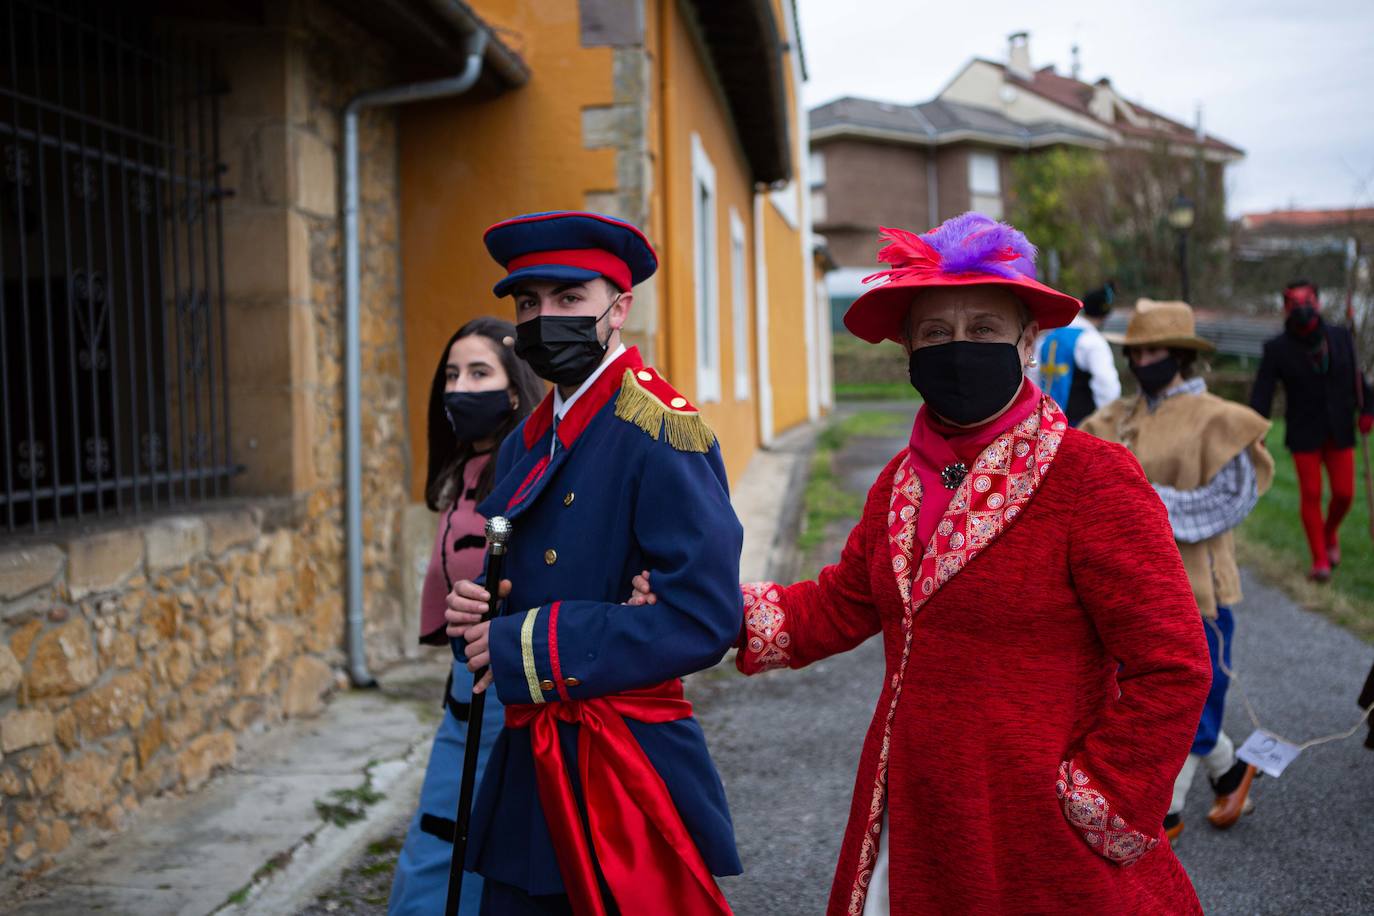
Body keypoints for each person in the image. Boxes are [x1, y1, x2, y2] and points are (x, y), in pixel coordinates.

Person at [636, 213, 1212, 914]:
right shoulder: (899, 483)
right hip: (912, 807)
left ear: (1028, 342)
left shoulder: (1092, 478)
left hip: (1037, 828)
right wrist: (703, 607)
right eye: (936, 333)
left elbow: (1173, 664)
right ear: (908, 347)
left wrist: (1099, 796)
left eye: (984, 329)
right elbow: (839, 603)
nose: (958, 348)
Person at [444, 211, 744, 915]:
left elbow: (705, 615)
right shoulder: (526, 440)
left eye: (569, 299)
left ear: (619, 307)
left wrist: (526, 642)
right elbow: (521, 587)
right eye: (528, 303)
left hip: (620, 762)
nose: (545, 319)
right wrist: (480, 613)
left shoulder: (661, 429)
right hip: (532, 755)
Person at [1081, 299, 1274, 844]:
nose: (1143, 359)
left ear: (1182, 354)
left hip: (1198, 588)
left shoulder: (1221, 419)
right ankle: (1233, 773)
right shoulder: (1117, 416)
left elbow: (1232, 499)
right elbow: (1074, 466)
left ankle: (1163, 811)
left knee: (1190, 698)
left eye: (1155, 350)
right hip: (1123, 586)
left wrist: (1138, 505)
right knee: (1134, 693)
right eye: (1136, 351)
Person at [389, 317, 544, 916]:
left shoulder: (523, 473)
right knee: (440, 844)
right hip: (463, 699)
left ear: (513, 391)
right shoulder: (465, 474)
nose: (459, 387)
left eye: (479, 373)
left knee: (471, 849)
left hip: (505, 697)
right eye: (452, 374)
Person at [1249, 279, 1374, 581]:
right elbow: (1263, 392)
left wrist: (1368, 409)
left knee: (1344, 494)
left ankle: (1330, 532)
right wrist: (1256, 430)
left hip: (1340, 427)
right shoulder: (1277, 348)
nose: (1302, 309)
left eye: (1308, 302)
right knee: (1311, 493)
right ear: (1285, 308)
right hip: (1304, 431)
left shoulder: (1341, 337)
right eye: (1295, 303)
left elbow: (1358, 379)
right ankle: (1319, 560)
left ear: (1318, 304)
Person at [1029, 280, 1121, 425]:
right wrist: (1106, 423)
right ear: (1105, 315)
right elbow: (1107, 386)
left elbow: (1032, 375)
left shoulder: (1048, 338)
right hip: (1081, 427)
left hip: (1046, 426)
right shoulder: (1092, 341)